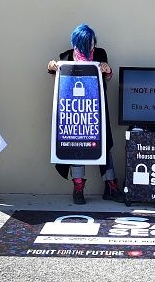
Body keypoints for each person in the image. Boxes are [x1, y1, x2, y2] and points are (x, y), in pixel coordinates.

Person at [47, 24, 124, 205]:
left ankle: (110, 187)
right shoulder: (65, 57)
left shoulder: (99, 54)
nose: (91, 47)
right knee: (75, 146)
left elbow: (108, 75)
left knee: (104, 146)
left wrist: (107, 69)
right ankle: (78, 188)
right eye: (86, 43)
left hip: (96, 109)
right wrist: (51, 66)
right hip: (75, 112)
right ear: (77, 43)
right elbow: (55, 74)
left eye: (92, 42)